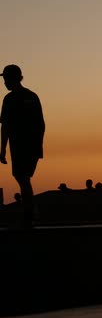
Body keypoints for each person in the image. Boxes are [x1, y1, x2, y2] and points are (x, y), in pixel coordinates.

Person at [0, 65, 45, 226]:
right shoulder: (32, 96)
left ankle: (30, 213)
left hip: (20, 146)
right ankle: (30, 211)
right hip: (31, 146)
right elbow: (41, 124)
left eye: (6, 79)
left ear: (14, 79)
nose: (4, 83)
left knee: (22, 178)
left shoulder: (10, 99)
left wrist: (2, 148)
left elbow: (5, 125)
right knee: (23, 178)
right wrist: (38, 146)